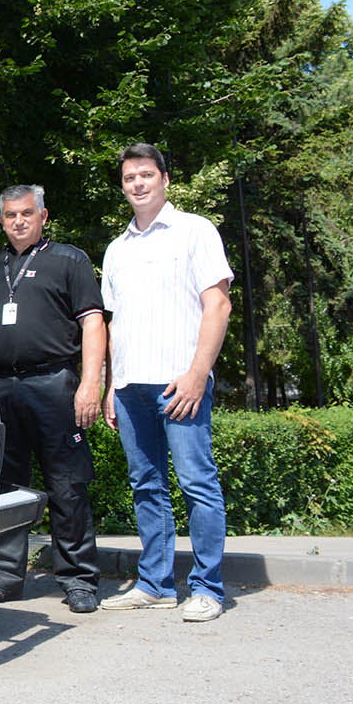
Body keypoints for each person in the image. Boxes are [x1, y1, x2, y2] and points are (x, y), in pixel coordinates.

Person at [100, 143, 233, 622]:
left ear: (165, 180)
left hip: (181, 383)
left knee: (198, 482)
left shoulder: (195, 231)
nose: (137, 184)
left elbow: (218, 305)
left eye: (146, 175)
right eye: (129, 177)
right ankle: (155, 584)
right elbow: (117, 324)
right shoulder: (117, 249)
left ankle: (207, 588)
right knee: (146, 486)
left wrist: (198, 375)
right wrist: (111, 386)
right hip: (132, 386)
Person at [0, 184, 104, 613]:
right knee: (1, 484)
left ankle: (78, 580)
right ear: (1, 220)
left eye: (26, 213)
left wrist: (89, 383)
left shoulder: (69, 260)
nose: (18, 221)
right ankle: (2, 578)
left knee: (68, 484)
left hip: (53, 383)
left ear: (43, 215)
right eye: (9, 215)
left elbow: (93, 323)